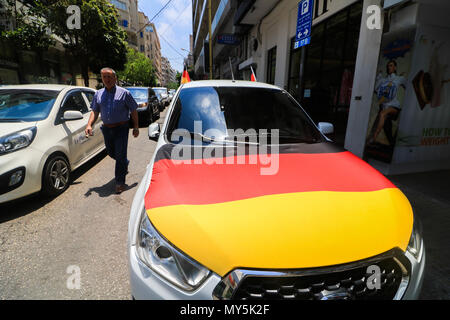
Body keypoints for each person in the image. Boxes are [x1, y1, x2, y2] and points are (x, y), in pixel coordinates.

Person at [85, 67, 139, 194]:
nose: (107, 79)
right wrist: (89, 125)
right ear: (102, 79)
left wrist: (136, 127)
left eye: (109, 77)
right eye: (104, 77)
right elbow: (95, 111)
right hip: (107, 129)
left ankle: (119, 182)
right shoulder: (98, 94)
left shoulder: (124, 93)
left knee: (120, 154)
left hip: (121, 128)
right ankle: (124, 162)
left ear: (115, 78)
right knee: (111, 153)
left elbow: (134, 110)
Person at [367, 60, 406, 146]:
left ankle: (374, 138)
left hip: (394, 107)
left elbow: (407, 86)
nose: (389, 67)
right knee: (387, 127)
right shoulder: (383, 80)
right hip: (385, 107)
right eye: (388, 66)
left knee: (383, 114)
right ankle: (391, 143)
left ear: (395, 67)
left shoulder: (399, 78)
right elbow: (376, 90)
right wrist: (379, 78)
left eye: (391, 66)